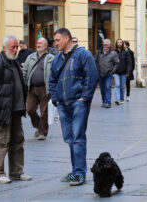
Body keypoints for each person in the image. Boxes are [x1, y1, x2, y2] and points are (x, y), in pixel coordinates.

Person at [49, 28, 98, 186]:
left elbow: (92, 75)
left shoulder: (83, 54)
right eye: (55, 41)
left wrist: (84, 98)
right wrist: (56, 100)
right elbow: (52, 80)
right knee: (69, 138)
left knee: (77, 138)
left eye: (58, 40)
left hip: (78, 103)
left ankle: (79, 173)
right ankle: (75, 170)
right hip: (63, 104)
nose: (55, 43)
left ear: (67, 39)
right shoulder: (57, 59)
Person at [0, 34, 32, 184]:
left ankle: (17, 172)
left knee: (17, 141)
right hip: (3, 109)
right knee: (0, 141)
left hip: (16, 109)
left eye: (17, 47)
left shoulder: (14, 61)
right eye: (13, 47)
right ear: (4, 48)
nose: (16, 49)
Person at [22, 38, 55, 140]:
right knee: (29, 109)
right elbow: (24, 71)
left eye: (41, 43)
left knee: (44, 111)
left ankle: (42, 133)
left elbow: (55, 73)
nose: (38, 45)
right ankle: (38, 125)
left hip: (45, 89)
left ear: (46, 46)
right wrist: (23, 83)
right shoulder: (30, 57)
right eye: (37, 43)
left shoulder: (51, 58)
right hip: (32, 88)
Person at [95, 39, 119, 108]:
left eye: (106, 45)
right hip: (100, 73)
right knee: (102, 88)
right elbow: (94, 60)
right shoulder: (98, 52)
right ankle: (104, 101)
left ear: (109, 45)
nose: (104, 46)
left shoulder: (113, 53)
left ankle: (108, 102)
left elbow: (117, 63)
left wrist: (113, 71)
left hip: (108, 73)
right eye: (103, 45)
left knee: (108, 87)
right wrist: (96, 70)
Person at [114, 39, 131, 105]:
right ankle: (118, 99)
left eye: (120, 42)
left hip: (124, 72)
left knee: (122, 87)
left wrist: (128, 72)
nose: (119, 43)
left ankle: (121, 99)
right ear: (116, 43)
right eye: (118, 42)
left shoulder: (126, 52)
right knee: (117, 85)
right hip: (116, 72)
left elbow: (129, 63)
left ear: (122, 43)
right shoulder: (114, 52)